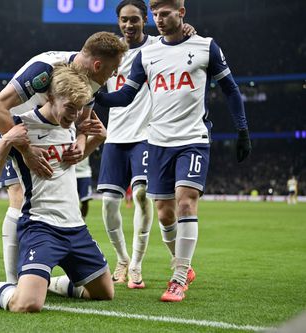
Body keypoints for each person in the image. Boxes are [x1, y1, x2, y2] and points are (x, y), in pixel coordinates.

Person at [95, 0, 251, 301]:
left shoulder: (206, 47)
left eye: (164, 13)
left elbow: (230, 89)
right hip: (158, 142)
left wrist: (242, 130)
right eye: (155, 14)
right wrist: (100, 97)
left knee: (184, 203)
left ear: (181, 13)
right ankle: (181, 263)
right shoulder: (148, 55)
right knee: (165, 213)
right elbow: (127, 94)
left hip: (193, 138)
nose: (159, 19)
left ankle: (178, 278)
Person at [0, 63, 112, 312]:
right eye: (69, 108)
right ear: (50, 97)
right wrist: (5, 143)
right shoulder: (22, 126)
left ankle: (46, 283)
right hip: (40, 227)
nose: (75, 116)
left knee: (104, 293)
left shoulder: (70, 124)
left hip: (76, 228)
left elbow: (68, 165)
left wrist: (96, 140)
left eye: (79, 110)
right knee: (26, 304)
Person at [0, 31, 128, 283]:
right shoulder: (45, 70)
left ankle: (45, 279)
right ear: (97, 65)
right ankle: (12, 282)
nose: (114, 74)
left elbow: (83, 122)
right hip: (11, 125)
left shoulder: (92, 80)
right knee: (19, 198)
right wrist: (25, 150)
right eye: (113, 68)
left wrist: (80, 142)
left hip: (53, 132)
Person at [97, 0, 195, 289]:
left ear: (145, 21)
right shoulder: (109, 51)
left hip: (147, 135)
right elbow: (90, 82)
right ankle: (122, 259)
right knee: (108, 204)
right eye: (124, 20)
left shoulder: (158, 47)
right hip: (116, 135)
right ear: (118, 22)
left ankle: (137, 266)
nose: (129, 25)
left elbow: (185, 43)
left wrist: (188, 30)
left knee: (141, 195)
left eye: (135, 20)